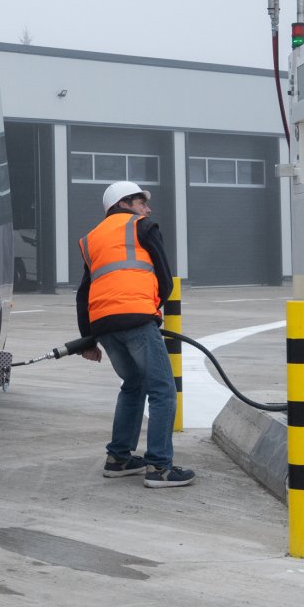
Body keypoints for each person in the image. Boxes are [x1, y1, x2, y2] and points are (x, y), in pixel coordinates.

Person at [76, 180, 195, 488]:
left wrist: (88, 340)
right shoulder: (143, 227)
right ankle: (159, 467)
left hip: (104, 326)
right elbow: (164, 277)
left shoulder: (92, 238)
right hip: (136, 319)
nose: (148, 208)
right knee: (163, 390)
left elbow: (83, 292)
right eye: (143, 202)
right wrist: (152, 311)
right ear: (125, 203)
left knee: (133, 385)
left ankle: (119, 459)